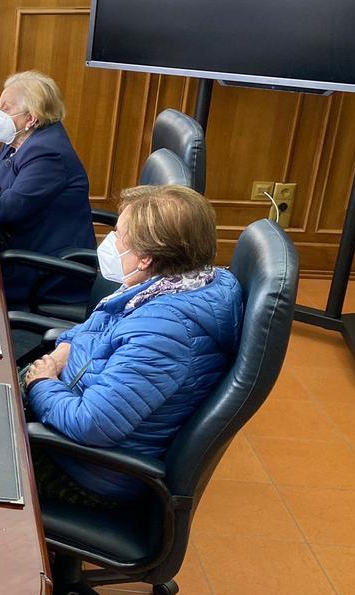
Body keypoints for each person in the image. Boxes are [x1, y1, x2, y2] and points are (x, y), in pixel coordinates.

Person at [23, 185, 244, 507]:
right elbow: (93, 329)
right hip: (65, 414)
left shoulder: (165, 334)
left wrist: (41, 383)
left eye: (118, 235)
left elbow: (91, 423)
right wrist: (58, 355)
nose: (111, 242)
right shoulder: (163, 286)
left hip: (86, 470)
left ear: (145, 258)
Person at [0, 71, 94, 305]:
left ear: (31, 118)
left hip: (39, 268)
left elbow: (8, 209)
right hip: (15, 246)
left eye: (6, 108)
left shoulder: (47, 154)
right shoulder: (22, 138)